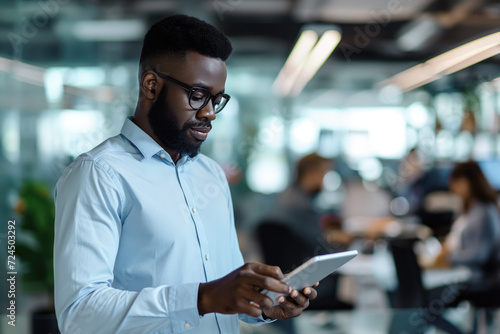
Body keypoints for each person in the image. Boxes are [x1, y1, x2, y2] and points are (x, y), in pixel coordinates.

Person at [53, 15, 317, 334]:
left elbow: (227, 292)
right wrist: (202, 298)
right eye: (197, 95)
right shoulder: (99, 175)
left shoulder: (211, 175)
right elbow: (80, 314)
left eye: (216, 100)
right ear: (151, 85)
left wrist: (263, 306)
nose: (208, 113)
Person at [438, 160, 500, 288]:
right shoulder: (467, 209)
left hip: (479, 277)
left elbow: (479, 255)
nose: (453, 189)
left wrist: (449, 258)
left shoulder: (484, 212)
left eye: (457, 184)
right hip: (463, 271)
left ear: (468, 183)